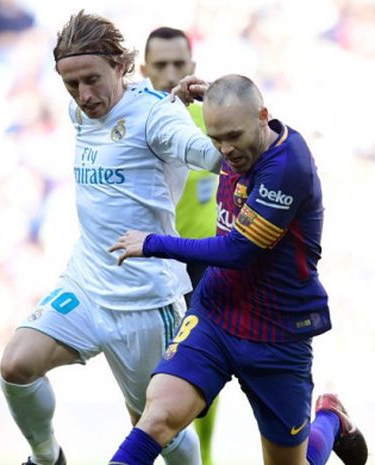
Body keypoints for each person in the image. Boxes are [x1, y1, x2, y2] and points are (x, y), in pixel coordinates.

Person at [107, 74, 368, 465]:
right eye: (216, 139)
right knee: (157, 417)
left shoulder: (287, 166)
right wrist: (197, 98)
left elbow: (238, 250)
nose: (225, 150)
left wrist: (152, 243)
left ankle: (329, 418)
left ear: (263, 117)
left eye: (233, 136)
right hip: (216, 315)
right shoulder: (239, 129)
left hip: (277, 333)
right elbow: (230, 109)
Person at [0, 10, 221, 465]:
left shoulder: (157, 118)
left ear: (121, 66)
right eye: (71, 84)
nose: (83, 95)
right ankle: (46, 459)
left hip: (144, 300)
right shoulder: (82, 111)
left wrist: (220, 109)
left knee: (157, 424)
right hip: (86, 282)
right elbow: (104, 105)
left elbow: (210, 154)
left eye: (92, 80)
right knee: (16, 365)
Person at [140, 26, 220, 465]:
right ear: (142, 71)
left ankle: (201, 459)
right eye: (161, 66)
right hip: (155, 264)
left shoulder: (214, 121)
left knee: (204, 379)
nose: (171, 73)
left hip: (206, 267)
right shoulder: (133, 124)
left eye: (179, 64)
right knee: (150, 382)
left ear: (192, 68)